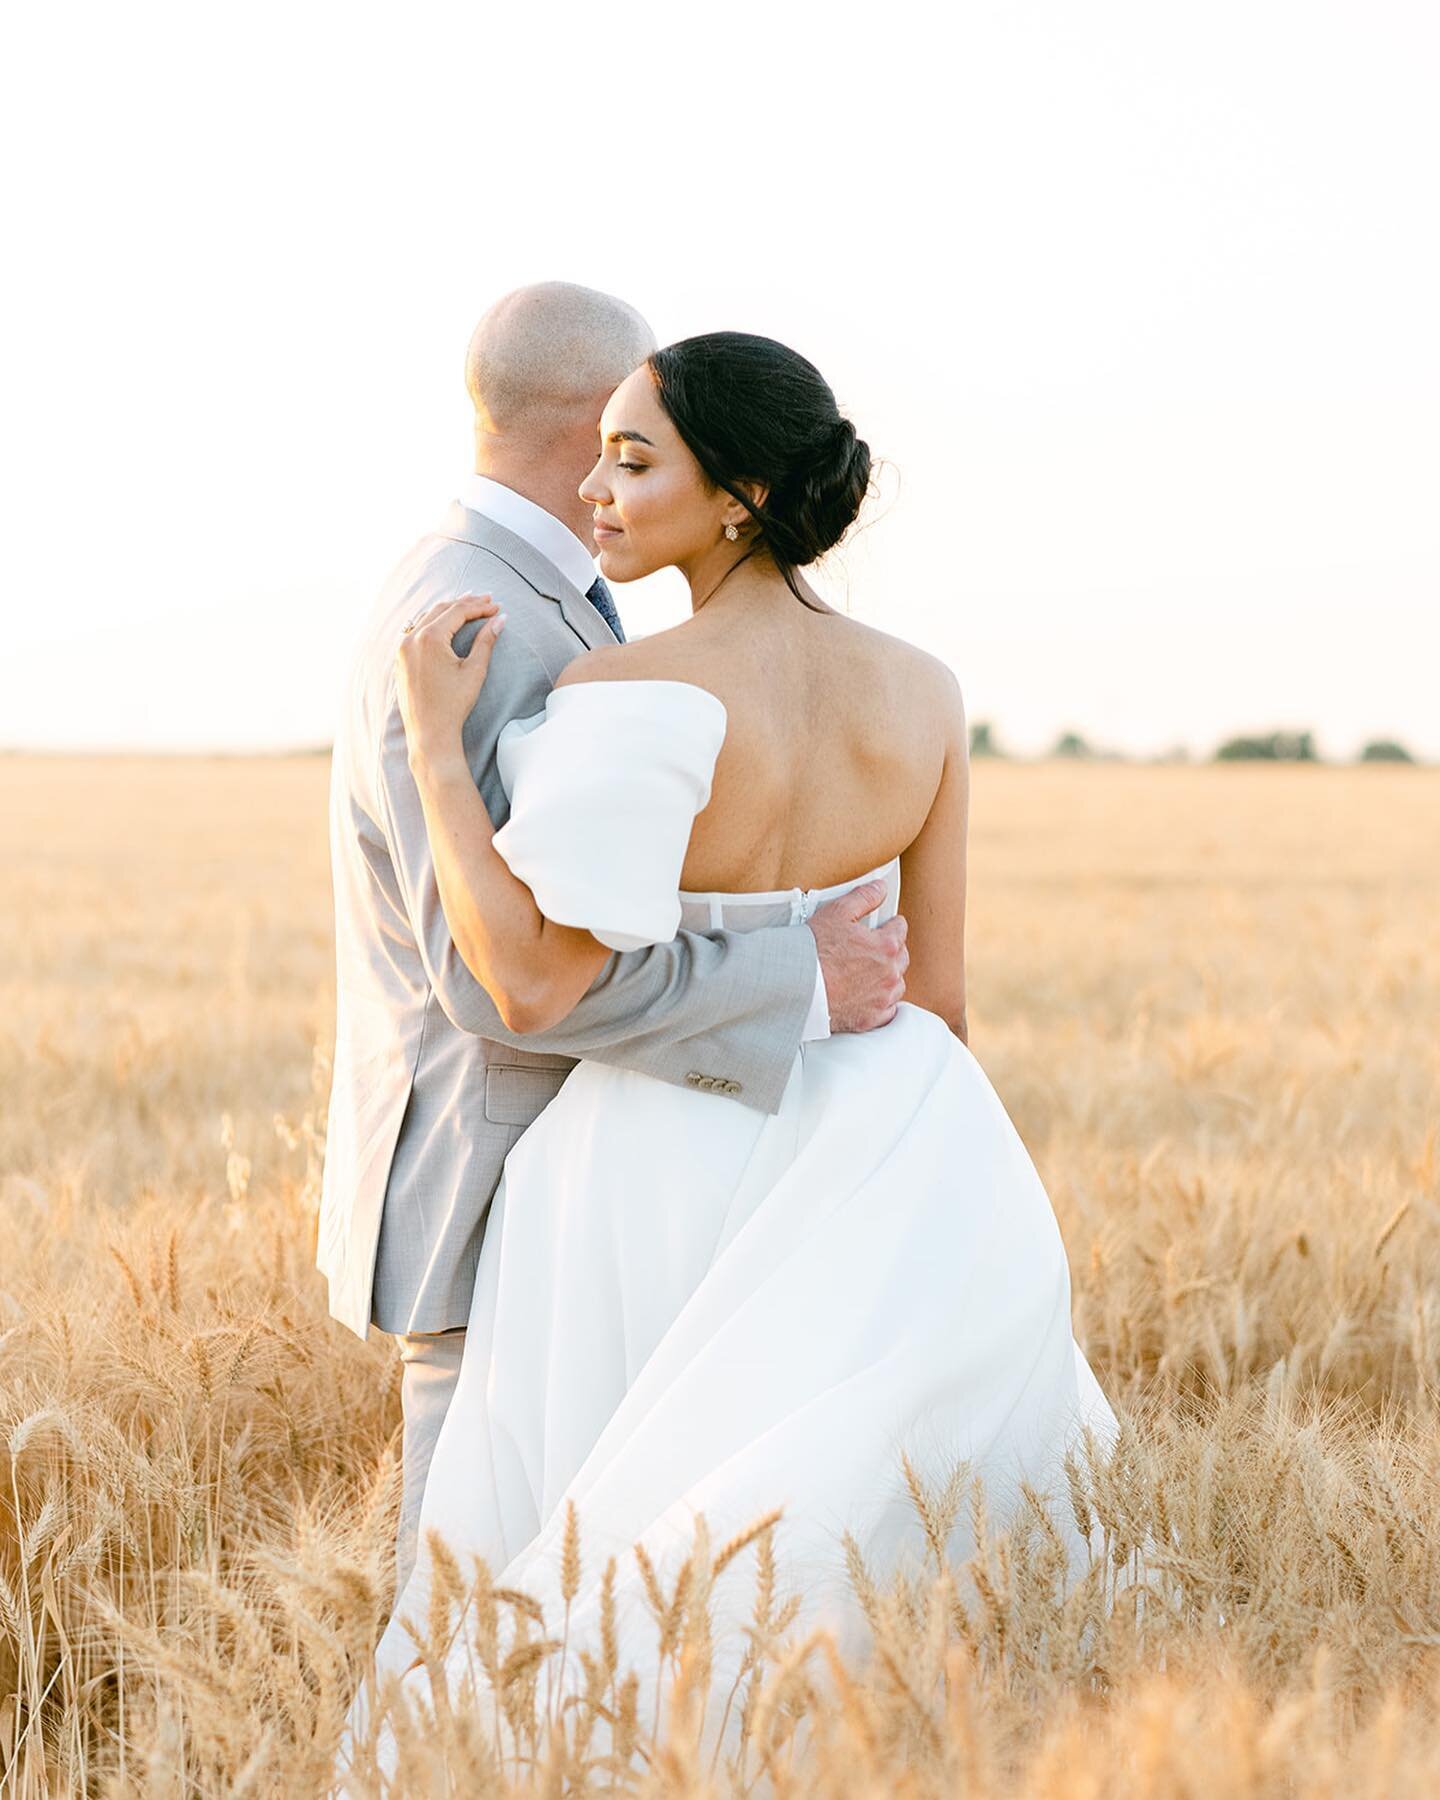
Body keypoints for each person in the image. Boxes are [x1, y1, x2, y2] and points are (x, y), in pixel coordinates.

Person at [333, 329, 1118, 1782]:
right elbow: (937, 1003)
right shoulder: (927, 691)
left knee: (613, 1537)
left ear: (741, 493)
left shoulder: (627, 691)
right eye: (600, 454)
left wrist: (438, 751)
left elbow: (528, 979)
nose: (601, 490)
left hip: (657, 1149)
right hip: (896, 1140)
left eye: (637, 462)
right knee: (842, 1535)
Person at [318, 284, 910, 1611]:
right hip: (495, 1181)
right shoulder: (486, 617)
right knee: (461, 1634)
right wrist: (797, 969)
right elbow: (500, 978)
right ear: (609, 419)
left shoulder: (544, 599)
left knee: (557, 1626)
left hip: (584, 1191)